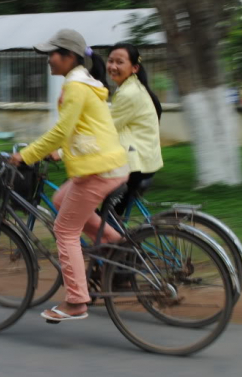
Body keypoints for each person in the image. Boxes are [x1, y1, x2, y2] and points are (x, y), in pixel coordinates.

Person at [9, 29, 129, 322]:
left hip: (98, 170)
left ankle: (76, 302)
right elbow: (82, 129)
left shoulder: (76, 86)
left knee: (64, 230)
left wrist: (25, 156)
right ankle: (117, 245)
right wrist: (59, 153)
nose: (49, 59)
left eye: (53, 54)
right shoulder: (83, 83)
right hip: (103, 165)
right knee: (61, 199)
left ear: (70, 57)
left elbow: (62, 131)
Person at [106, 43, 164, 215]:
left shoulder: (129, 93)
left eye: (120, 62)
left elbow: (106, 129)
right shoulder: (131, 88)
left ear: (134, 68)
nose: (113, 66)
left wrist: (63, 151)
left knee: (105, 220)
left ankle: (113, 240)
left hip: (136, 167)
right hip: (141, 162)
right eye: (110, 61)